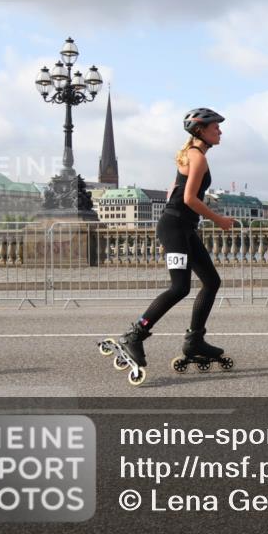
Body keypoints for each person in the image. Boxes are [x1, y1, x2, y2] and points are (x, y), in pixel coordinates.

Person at [98, 108, 235, 385]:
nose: (220, 131)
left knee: (211, 281)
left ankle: (195, 340)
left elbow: (175, 190)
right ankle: (135, 335)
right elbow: (188, 199)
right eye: (215, 127)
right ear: (200, 131)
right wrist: (219, 219)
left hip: (182, 228)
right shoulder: (196, 157)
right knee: (180, 287)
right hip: (175, 227)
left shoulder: (192, 155)